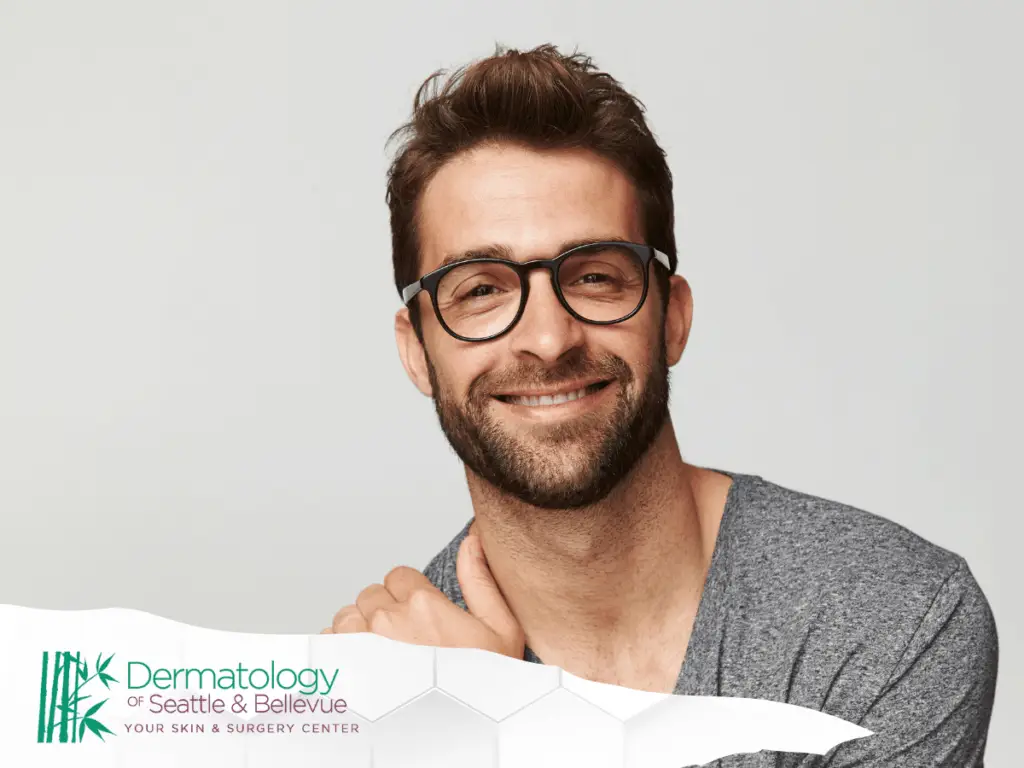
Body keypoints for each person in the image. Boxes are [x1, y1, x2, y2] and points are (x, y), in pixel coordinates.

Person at [322, 44, 998, 765]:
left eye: (595, 278)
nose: (548, 340)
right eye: (482, 289)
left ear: (671, 318)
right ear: (417, 350)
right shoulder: (380, 689)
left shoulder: (886, 614)